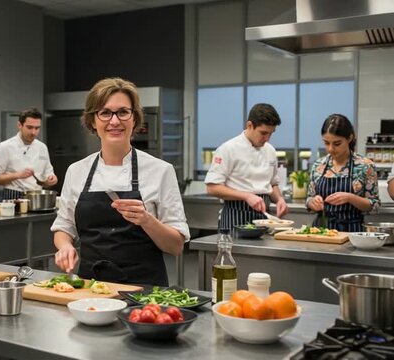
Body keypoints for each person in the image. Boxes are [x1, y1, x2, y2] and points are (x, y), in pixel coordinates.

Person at [51, 77, 189, 286]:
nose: (114, 121)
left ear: (134, 119)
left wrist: (146, 220)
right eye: (105, 113)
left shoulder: (161, 171)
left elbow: (176, 246)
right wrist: (65, 246)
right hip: (90, 289)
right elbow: (64, 227)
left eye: (123, 112)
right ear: (92, 121)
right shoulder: (76, 171)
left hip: (145, 294)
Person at [204, 103, 288, 231]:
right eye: (263, 133)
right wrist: (246, 196)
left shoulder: (270, 150)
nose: (267, 138)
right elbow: (212, 188)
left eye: (271, 133)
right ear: (249, 125)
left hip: (264, 216)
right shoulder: (228, 149)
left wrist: (279, 200)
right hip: (235, 215)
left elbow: (272, 184)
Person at [306, 114, 379, 231]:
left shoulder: (365, 166)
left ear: (349, 138)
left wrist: (350, 198)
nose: (330, 149)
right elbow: (309, 198)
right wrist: (313, 202)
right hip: (321, 231)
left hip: (353, 231)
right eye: (326, 143)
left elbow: (374, 205)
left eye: (337, 143)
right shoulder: (318, 166)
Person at [0, 108, 57, 200]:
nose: (33, 132)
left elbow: (48, 173)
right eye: (29, 127)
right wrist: (17, 175)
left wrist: (51, 179)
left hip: (37, 197)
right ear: (19, 125)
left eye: (37, 128)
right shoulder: (4, 147)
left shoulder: (42, 147)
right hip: (13, 197)